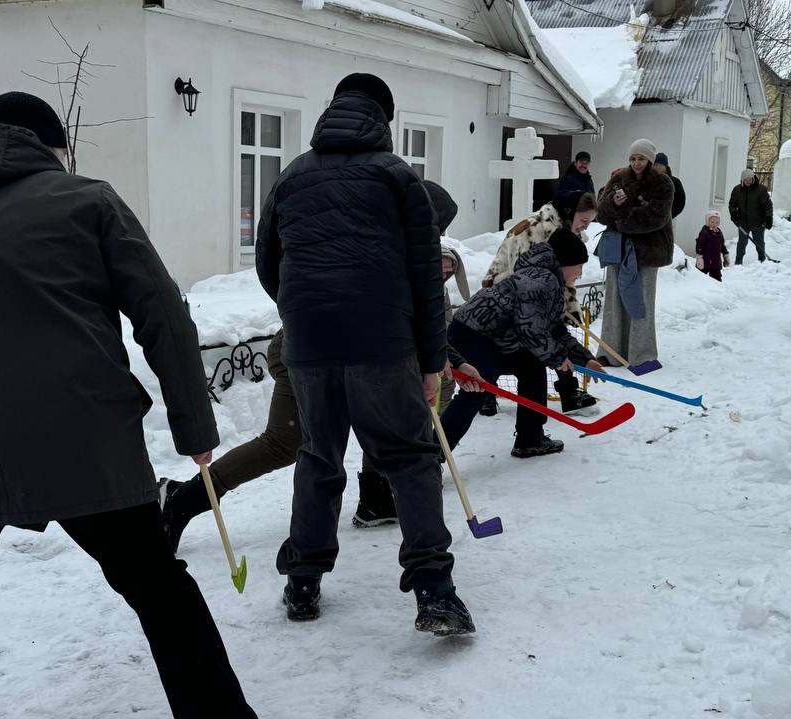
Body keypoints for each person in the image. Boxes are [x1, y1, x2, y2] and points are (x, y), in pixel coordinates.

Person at [0, 92, 255, 719]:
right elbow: (163, 317)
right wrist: (193, 427)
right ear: (52, 147)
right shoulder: (88, 201)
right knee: (157, 585)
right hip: (86, 447)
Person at [255, 73, 475, 636]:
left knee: (318, 456)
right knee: (410, 457)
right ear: (385, 119)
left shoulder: (290, 176)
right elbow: (426, 278)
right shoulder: (398, 176)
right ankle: (435, 592)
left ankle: (303, 581)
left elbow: (268, 263)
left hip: (310, 342)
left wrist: (306, 311)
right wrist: (431, 360)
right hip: (382, 341)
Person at [159, 181, 481, 542]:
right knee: (285, 442)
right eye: (435, 226)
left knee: (383, 414)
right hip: (307, 355)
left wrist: (454, 360)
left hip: (354, 358)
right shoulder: (370, 253)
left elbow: (427, 325)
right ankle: (181, 499)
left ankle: (375, 500)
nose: (436, 236)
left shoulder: (407, 257)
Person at [442, 231, 605, 457]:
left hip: (491, 338)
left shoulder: (544, 278)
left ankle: (530, 438)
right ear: (566, 262)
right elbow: (531, 329)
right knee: (475, 391)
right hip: (474, 336)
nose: (580, 273)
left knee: (532, 368)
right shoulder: (541, 281)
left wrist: (586, 359)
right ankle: (432, 454)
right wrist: (558, 359)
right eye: (579, 266)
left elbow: (554, 330)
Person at [480, 189, 599, 413]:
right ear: (569, 212)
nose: (585, 227)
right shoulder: (530, 230)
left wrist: (570, 307)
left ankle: (568, 393)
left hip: (542, 296)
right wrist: (546, 310)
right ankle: (486, 391)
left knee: (554, 336)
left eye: (589, 222)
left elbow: (566, 275)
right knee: (506, 344)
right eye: (584, 221)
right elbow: (520, 276)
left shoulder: (568, 233)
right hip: (505, 297)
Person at [597, 139, 675, 375]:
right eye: (632, 158)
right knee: (614, 301)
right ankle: (611, 352)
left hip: (648, 251)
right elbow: (602, 213)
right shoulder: (619, 179)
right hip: (619, 249)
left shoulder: (662, 183)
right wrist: (613, 203)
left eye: (641, 158)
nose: (636, 163)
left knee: (641, 302)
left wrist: (622, 217)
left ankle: (641, 354)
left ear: (649, 159)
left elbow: (656, 216)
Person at [729, 169, 774, 264]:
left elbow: (768, 205)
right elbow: (732, 204)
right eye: (745, 180)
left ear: (753, 178)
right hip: (743, 222)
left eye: (750, 179)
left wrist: (769, 217)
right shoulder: (737, 190)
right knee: (741, 243)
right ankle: (738, 261)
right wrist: (733, 213)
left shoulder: (761, 189)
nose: (748, 182)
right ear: (742, 180)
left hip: (758, 222)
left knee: (759, 242)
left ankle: (762, 260)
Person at [695, 210, 730, 281]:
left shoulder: (719, 233)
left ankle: (717, 287)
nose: (715, 224)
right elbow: (699, 245)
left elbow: (722, 246)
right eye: (712, 222)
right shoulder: (704, 232)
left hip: (716, 262)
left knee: (717, 280)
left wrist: (725, 255)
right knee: (699, 278)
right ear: (707, 222)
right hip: (705, 261)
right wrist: (699, 257)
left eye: (717, 222)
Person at [653, 152, 686, 220]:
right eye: (655, 165)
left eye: (660, 165)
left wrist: (669, 215)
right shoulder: (648, 180)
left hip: (666, 220)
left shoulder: (675, 182)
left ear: (665, 166)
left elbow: (681, 202)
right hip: (649, 220)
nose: (657, 167)